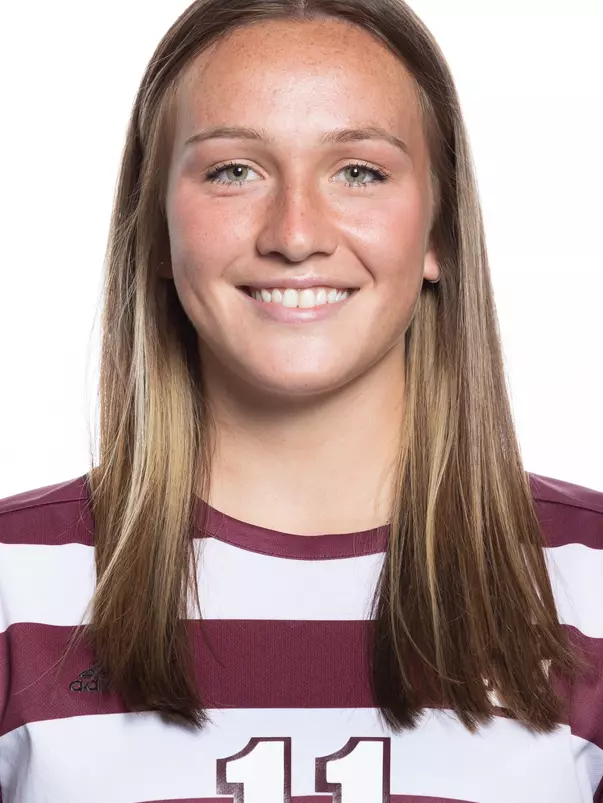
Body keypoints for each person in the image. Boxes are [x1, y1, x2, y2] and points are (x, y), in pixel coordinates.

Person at [0, 0, 601, 800]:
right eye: (232, 171)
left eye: (359, 171)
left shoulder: (590, 576)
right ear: (156, 229)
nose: (293, 234)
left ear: (437, 230)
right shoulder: (12, 582)